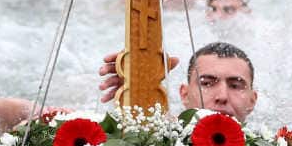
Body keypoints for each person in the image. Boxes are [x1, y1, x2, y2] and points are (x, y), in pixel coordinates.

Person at [97, 41, 257, 123]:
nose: (222, 96)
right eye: (207, 83)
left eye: (235, 86)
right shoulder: (161, 139)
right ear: (184, 94)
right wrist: (138, 94)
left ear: (252, 100)